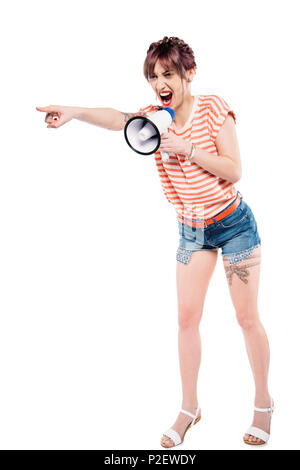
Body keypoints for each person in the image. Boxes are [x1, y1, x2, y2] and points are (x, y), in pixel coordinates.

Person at [36, 36, 274, 447]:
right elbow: (116, 118)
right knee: (186, 320)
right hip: (192, 231)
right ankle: (189, 408)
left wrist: (190, 148)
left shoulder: (214, 108)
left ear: (188, 73)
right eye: (153, 76)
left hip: (234, 224)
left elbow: (234, 170)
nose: (160, 83)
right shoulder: (153, 117)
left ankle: (264, 404)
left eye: (167, 74)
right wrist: (74, 112)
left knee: (246, 319)